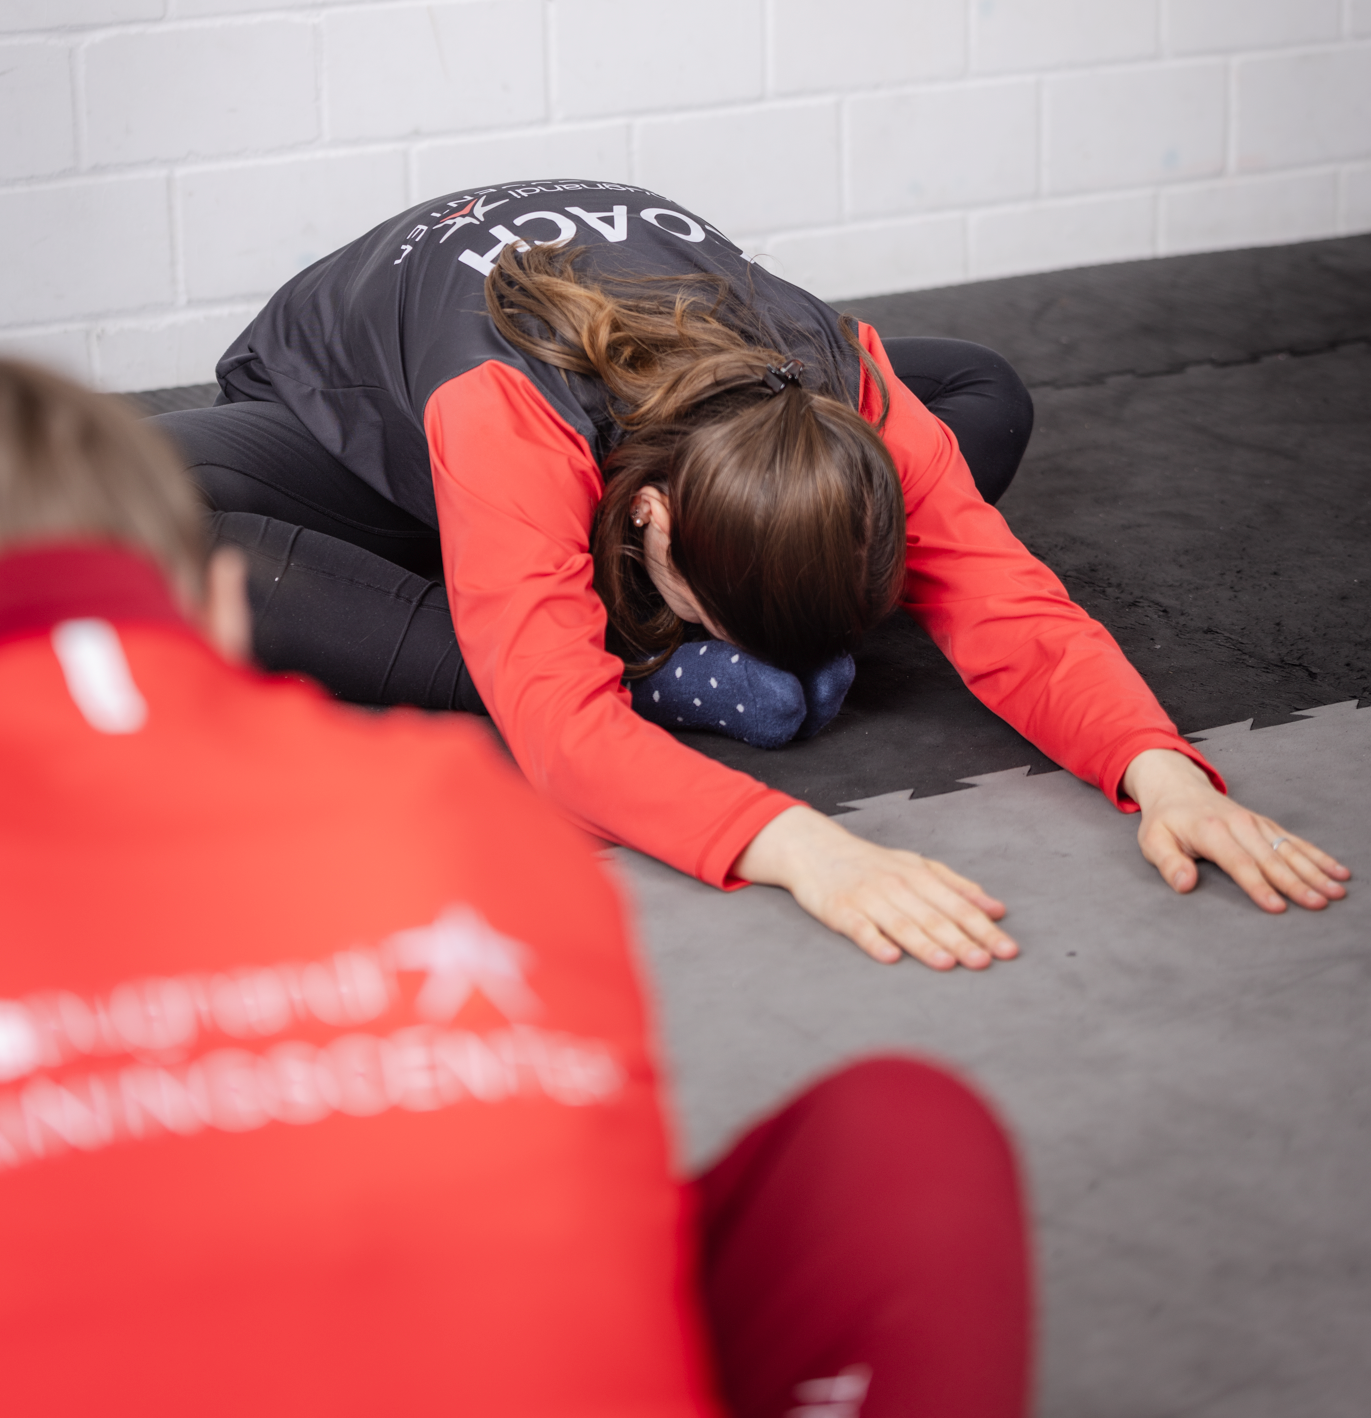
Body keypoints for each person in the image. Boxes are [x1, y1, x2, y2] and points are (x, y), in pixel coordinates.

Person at [0, 357, 1031, 1417]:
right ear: (218, 613)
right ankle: (644, 669)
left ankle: (627, 660)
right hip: (458, 550)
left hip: (503, 568)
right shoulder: (465, 805)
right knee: (906, 1134)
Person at [158, 179, 1349, 971]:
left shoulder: (845, 379)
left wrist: (1165, 775)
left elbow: (1012, 604)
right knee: (137, 516)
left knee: (984, 383)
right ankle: (646, 656)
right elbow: (561, 740)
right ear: (658, 531)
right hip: (372, 456)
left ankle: (602, 614)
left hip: (646, 463)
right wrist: (807, 849)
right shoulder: (502, 410)